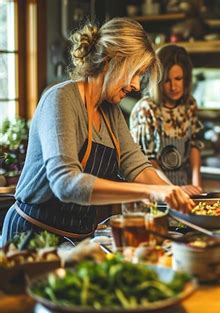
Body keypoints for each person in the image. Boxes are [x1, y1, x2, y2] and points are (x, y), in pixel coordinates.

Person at [0, 18, 194, 245]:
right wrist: (150, 192)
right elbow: (66, 184)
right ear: (110, 61)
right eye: (135, 73)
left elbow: (137, 166)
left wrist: (173, 195)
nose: (135, 86)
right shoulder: (60, 99)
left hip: (77, 241)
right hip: (31, 239)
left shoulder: (110, 111)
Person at [130, 45, 203, 196]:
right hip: (155, 191)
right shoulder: (146, 109)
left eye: (178, 79)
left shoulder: (189, 105)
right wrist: (171, 190)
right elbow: (146, 161)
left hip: (184, 187)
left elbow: (195, 145)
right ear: (157, 81)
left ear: (186, 78)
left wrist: (197, 186)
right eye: (167, 80)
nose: (173, 86)